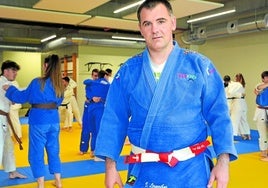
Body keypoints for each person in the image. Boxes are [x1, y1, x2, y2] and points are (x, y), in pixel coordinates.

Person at [94, 1, 237, 187]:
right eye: (147, 24)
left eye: (161, 21)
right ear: (140, 29)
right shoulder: (128, 71)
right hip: (144, 170)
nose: (155, 29)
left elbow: (219, 116)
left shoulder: (200, 66)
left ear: (173, 23)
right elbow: (114, 119)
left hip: (191, 171)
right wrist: (110, 167)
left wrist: (223, 162)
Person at [3, 55, 64, 188]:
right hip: (54, 120)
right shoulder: (59, 84)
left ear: (46, 66)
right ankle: (58, 181)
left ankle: (41, 184)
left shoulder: (38, 82)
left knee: (36, 151)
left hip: (39, 120)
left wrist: (10, 89)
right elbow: (59, 101)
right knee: (54, 150)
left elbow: (22, 97)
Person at [0, 60, 27, 179]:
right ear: (5, 71)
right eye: (13, 71)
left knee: (8, 146)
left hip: (4, 118)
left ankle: (12, 171)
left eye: (16, 71)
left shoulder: (7, 83)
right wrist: (34, 87)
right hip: (0, 118)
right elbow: (17, 96)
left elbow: (14, 99)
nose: (16, 73)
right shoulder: (2, 83)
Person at [80, 70, 110, 158]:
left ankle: (92, 150)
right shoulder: (107, 85)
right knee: (97, 130)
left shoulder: (90, 84)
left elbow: (85, 83)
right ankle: (92, 149)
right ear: (104, 76)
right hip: (98, 108)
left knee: (93, 130)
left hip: (90, 108)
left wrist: (92, 98)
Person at [253, 70, 268, 161]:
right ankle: (263, 151)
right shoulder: (259, 85)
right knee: (262, 133)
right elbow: (258, 89)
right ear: (263, 78)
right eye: (266, 77)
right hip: (261, 111)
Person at [235, 73, 251, 140]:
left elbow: (242, 94)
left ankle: (246, 134)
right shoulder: (238, 85)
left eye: (237, 78)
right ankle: (244, 134)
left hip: (240, 103)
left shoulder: (240, 85)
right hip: (239, 103)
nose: (236, 79)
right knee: (241, 119)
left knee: (242, 119)